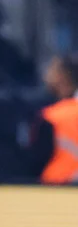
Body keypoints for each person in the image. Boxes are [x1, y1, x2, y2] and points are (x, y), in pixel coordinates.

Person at [30, 54, 78, 184]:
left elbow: (36, 161)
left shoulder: (52, 117)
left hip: (55, 189)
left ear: (63, 76)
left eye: (52, 69)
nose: (47, 75)